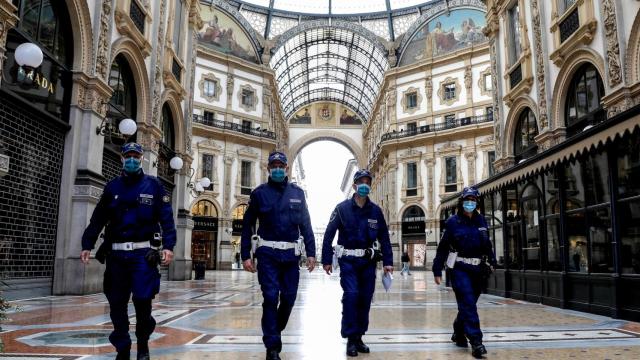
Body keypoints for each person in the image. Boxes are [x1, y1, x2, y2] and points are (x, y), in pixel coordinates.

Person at [80, 142, 176, 360]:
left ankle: (143, 345)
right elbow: (98, 218)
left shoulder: (154, 186)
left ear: (141, 158)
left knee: (143, 301)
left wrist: (169, 246)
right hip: (116, 257)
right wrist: (87, 244)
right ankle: (122, 348)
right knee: (116, 304)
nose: (132, 159)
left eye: (136, 155)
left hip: (143, 256)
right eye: (128, 155)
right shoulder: (112, 187)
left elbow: (167, 219)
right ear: (122, 158)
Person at [240, 151, 316, 360]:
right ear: (268, 169)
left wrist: (311, 253)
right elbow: (247, 225)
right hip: (267, 255)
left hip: (291, 257)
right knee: (271, 297)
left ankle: (275, 329)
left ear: (287, 169)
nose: (277, 169)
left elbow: (306, 225)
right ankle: (272, 346)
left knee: (290, 298)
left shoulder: (298, 194)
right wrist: (245, 254)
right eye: (273, 166)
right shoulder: (258, 194)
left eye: (281, 166)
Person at [321, 169, 393, 357]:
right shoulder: (341, 209)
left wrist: (388, 261)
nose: (364, 185)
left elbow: (384, 237)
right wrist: (326, 259)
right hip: (348, 262)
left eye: (367, 182)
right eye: (361, 182)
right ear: (354, 185)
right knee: (352, 295)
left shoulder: (376, 211)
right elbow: (329, 234)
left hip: (368, 263)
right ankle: (351, 338)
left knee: (365, 298)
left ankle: (359, 335)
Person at [432, 186, 496, 359]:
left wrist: (492, 259)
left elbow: (487, 244)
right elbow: (443, 247)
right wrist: (437, 269)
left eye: (473, 200)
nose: (470, 203)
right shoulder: (452, 222)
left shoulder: (481, 220)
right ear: (462, 202)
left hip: (477, 269)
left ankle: (458, 331)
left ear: (477, 202)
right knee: (467, 301)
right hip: (459, 268)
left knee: (469, 304)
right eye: (467, 200)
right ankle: (476, 341)